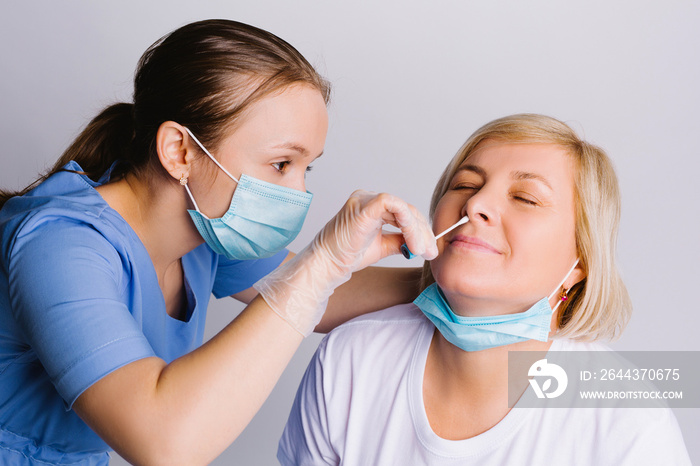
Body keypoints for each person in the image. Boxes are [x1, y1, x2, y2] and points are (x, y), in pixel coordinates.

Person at [0, 19, 439, 465]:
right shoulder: (59, 244)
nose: (300, 193)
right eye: (282, 163)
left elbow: (315, 294)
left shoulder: (207, 228)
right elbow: (163, 442)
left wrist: (443, 275)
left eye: (308, 168)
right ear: (180, 152)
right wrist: (321, 262)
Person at [278, 114, 691, 465]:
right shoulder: (351, 358)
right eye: (464, 185)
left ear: (580, 264)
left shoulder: (627, 419)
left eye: (526, 198)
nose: (476, 204)